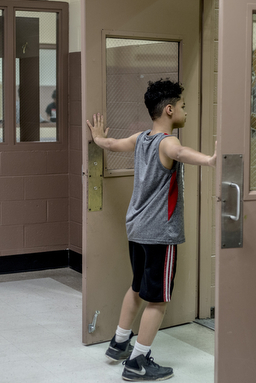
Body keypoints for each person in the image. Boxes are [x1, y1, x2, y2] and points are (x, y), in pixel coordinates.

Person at [86, 79, 216, 381]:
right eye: (182, 106)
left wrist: (99, 139)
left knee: (137, 287)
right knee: (157, 299)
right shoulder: (167, 142)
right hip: (159, 233)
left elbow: (111, 145)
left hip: (137, 229)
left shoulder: (141, 138)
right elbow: (181, 154)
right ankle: (137, 362)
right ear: (169, 109)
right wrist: (210, 161)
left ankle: (119, 343)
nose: (185, 110)